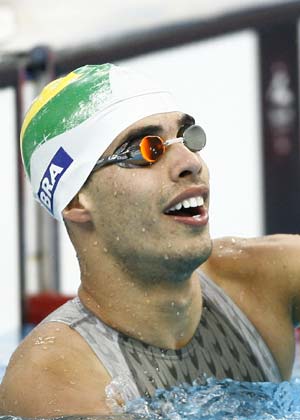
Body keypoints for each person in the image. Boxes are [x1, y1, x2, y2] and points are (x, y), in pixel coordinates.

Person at [0, 63, 299, 417]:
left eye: (187, 137)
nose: (190, 162)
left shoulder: (265, 281)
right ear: (77, 200)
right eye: (147, 150)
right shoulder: (54, 381)